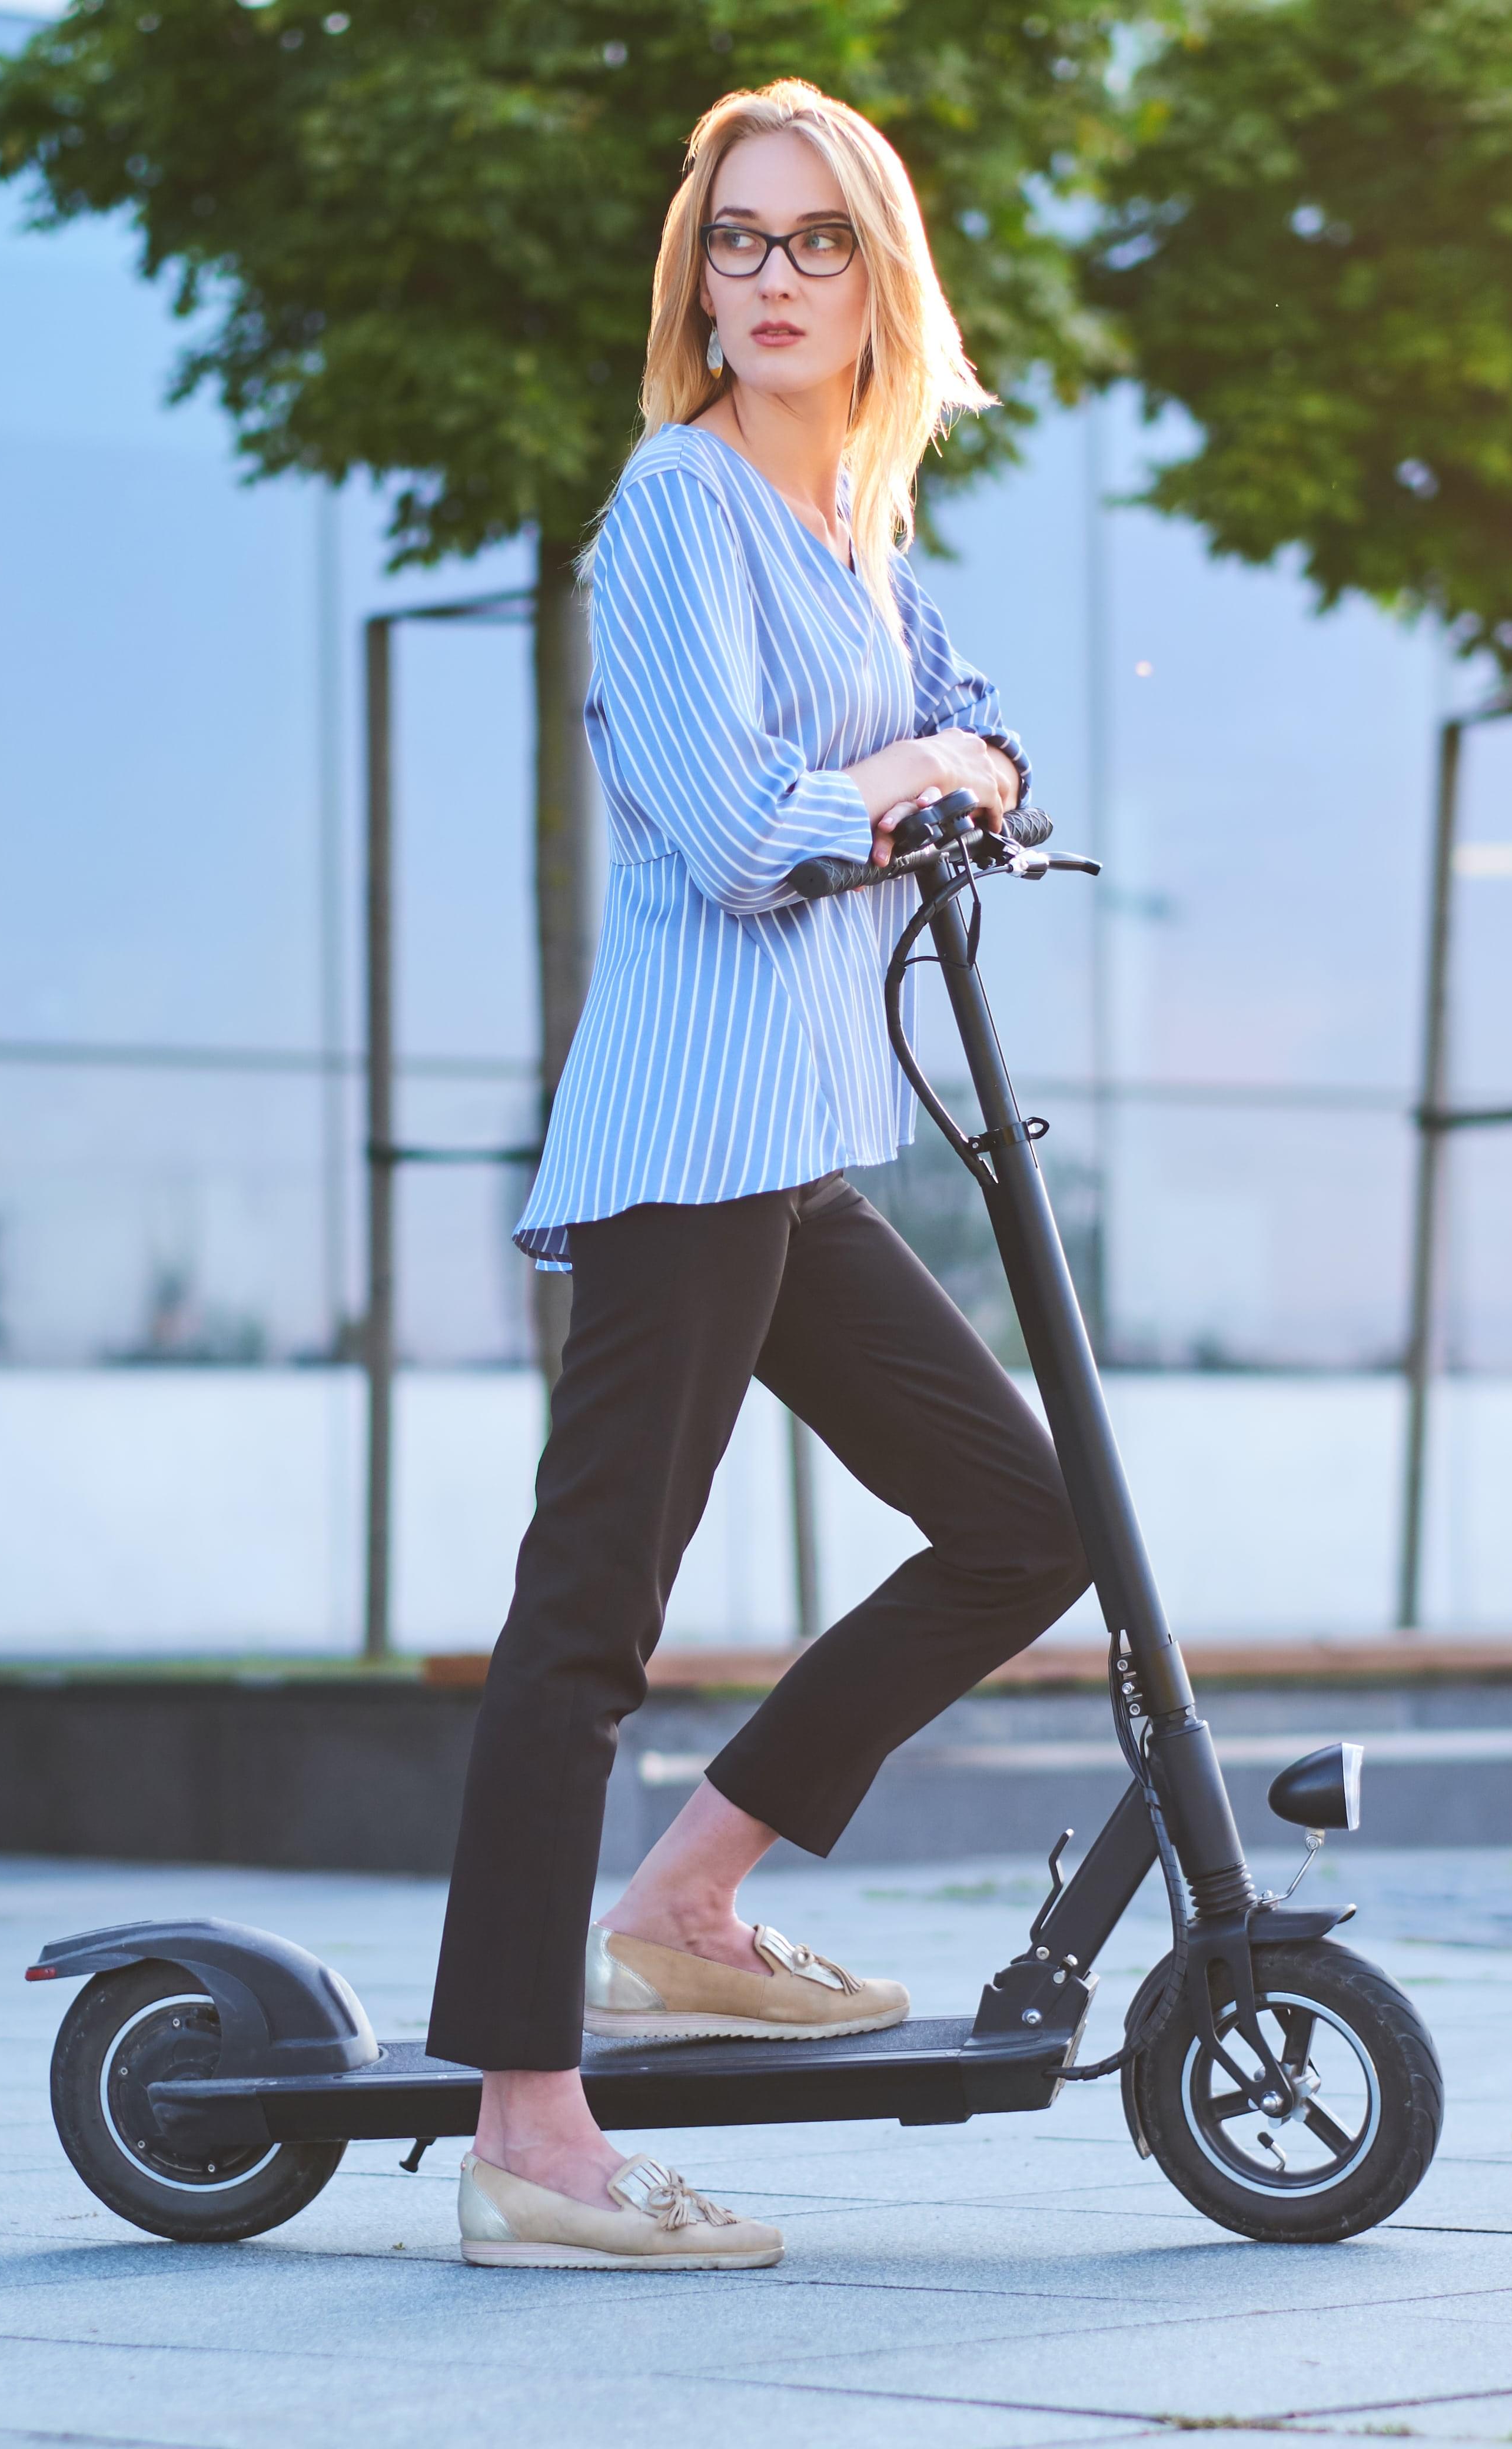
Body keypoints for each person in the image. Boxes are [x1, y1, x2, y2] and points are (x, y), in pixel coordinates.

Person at [428, 79, 1093, 2273]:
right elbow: (737, 835)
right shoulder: (678, 510)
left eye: (817, 242)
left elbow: (979, 728)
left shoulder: (854, 528)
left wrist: (944, 759)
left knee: (1026, 1522)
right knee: (585, 1627)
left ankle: (690, 1900)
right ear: (695, 276)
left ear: (881, 274)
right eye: (741, 242)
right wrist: (908, 775)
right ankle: (532, 2135)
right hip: (683, 1148)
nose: (776, 280)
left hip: (800, 1147)